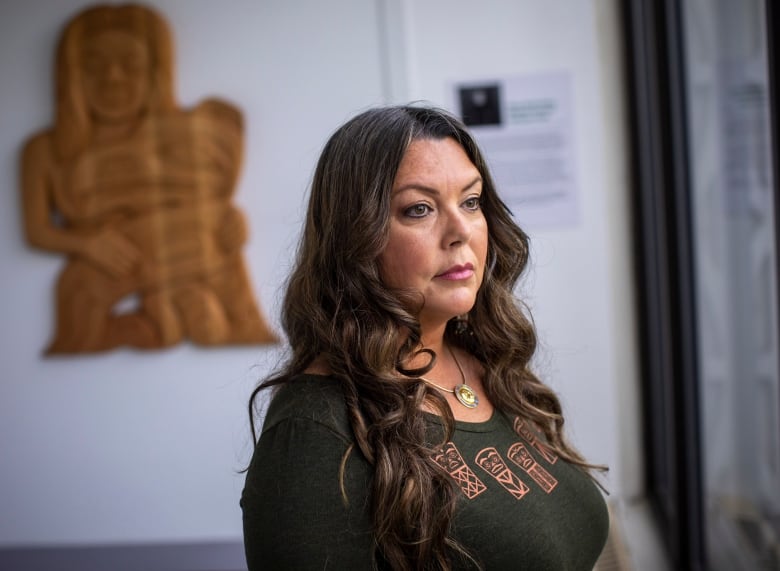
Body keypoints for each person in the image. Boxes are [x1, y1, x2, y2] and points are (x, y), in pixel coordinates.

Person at [242, 105, 608, 569]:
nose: (461, 231)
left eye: (471, 202)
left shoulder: (484, 359)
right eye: (419, 209)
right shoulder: (316, 428)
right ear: (356, 236)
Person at [20, 4, 276, 353]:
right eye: (95, 66)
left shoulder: (179, 141)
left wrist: (235, 221)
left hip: (183, 251)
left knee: (212, 235)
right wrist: (88, 244)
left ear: (155, 73)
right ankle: (166, 313)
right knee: (79, 299)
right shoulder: (45, 150)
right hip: (101, 269)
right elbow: (37, 231)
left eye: (130, 65)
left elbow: (208, 201)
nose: (113, 78)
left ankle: (206, 312)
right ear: (73, 76)